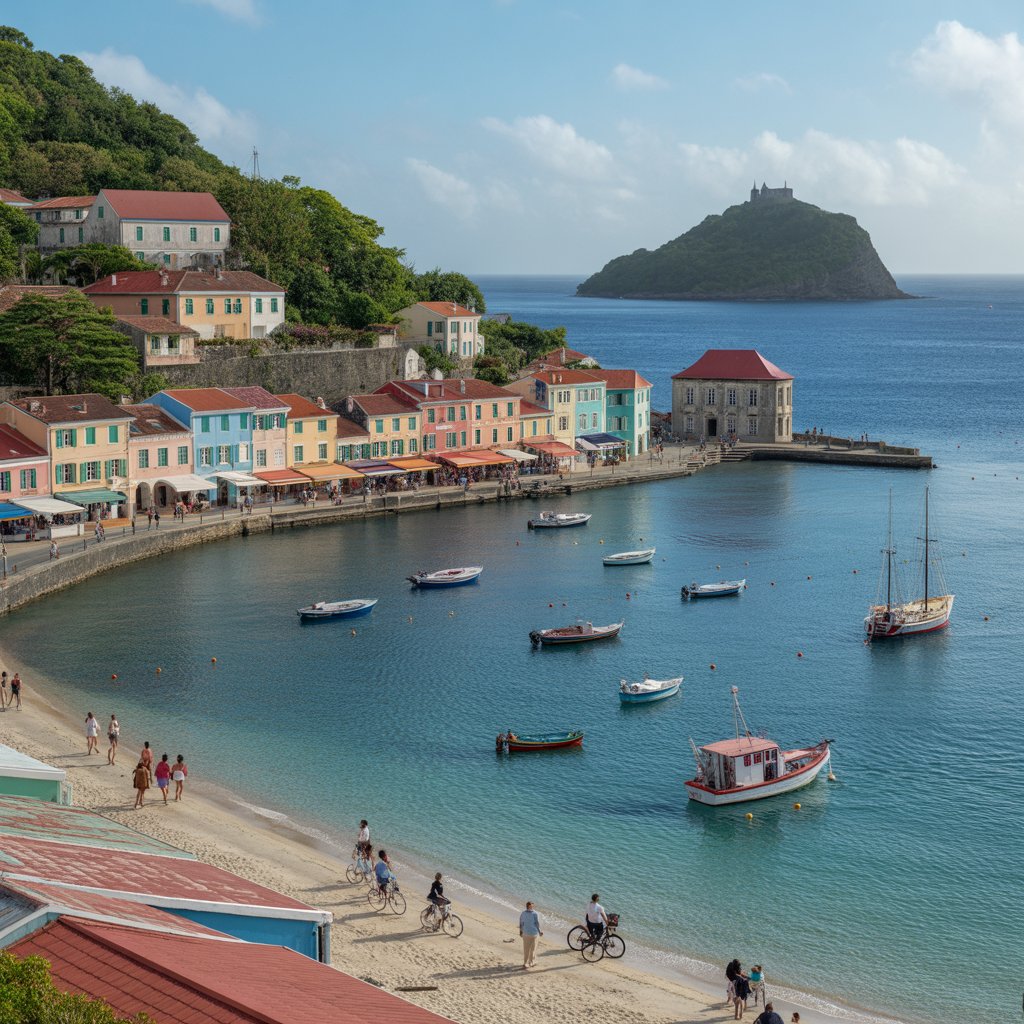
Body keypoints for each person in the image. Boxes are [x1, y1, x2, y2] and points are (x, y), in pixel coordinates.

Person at [518, 900, 542, 969]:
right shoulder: (535, 913)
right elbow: (537, 923)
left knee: (526, 949)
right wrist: (540, 932)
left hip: (525, 934)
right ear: (530, 906)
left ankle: (525, 963)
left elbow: (521, 923)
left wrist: (520, 932)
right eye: (532, 906)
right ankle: (531, 962)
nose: (532, 907)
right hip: (534, 934)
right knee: (533, 949)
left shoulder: (523, 913)